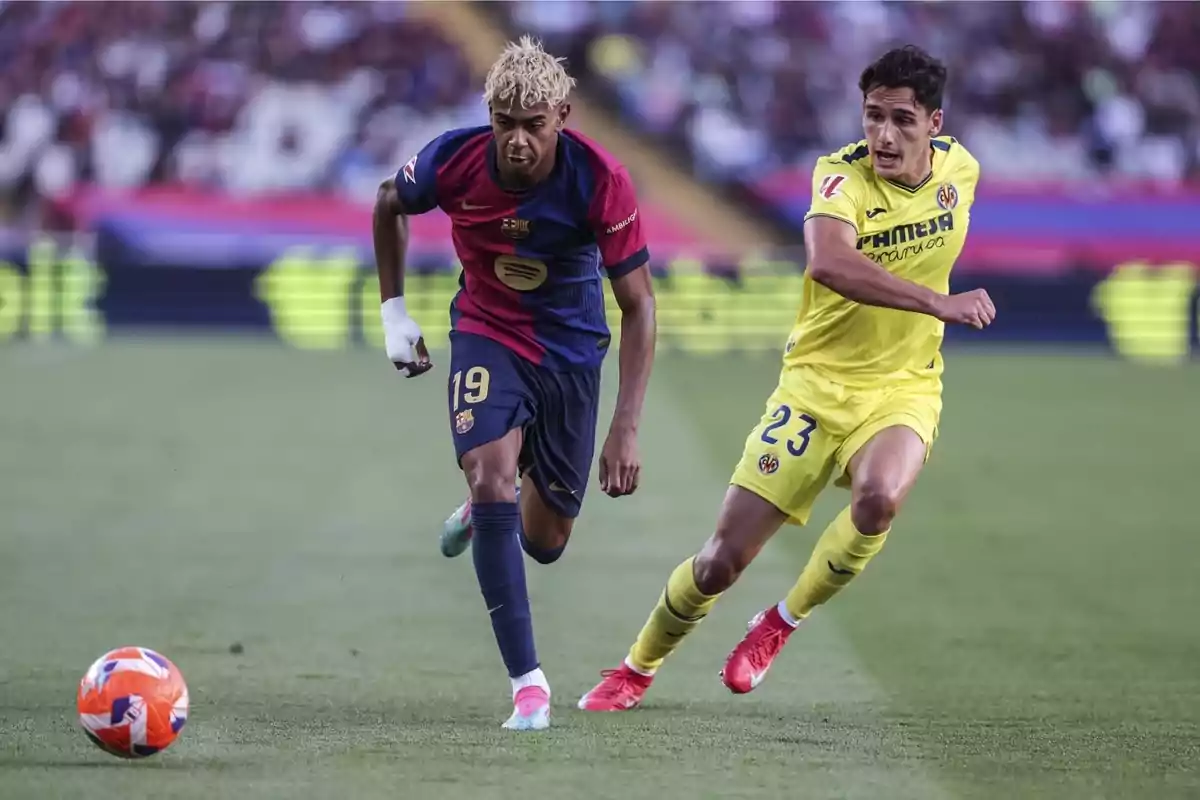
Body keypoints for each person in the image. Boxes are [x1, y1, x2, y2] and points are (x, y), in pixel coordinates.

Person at [578, 45, 995, 711]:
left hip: (903, 385)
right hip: (814, 388)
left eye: (901, 121)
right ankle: (637, 667)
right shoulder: (840, 178)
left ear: (934, 125)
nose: (883, 136)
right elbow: (828, 264)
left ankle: (780, 623)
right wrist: (937, 302)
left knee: (878, 500)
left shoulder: (961, 171)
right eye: (872, 117)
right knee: (720, 561)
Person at [374, 36, 656, 731]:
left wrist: (625, 426)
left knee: (546, 541)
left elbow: (640, 304)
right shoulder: (453, 160)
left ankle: (489, 500)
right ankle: (528, 684)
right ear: (490, 116)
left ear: (563, 114)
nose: (520, 141)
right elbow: (389, 203)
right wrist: (394, 317)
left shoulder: (600, 179)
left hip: (568, 355)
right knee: (491, 474)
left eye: (535, 124)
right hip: (487, 334)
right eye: (506, 124)